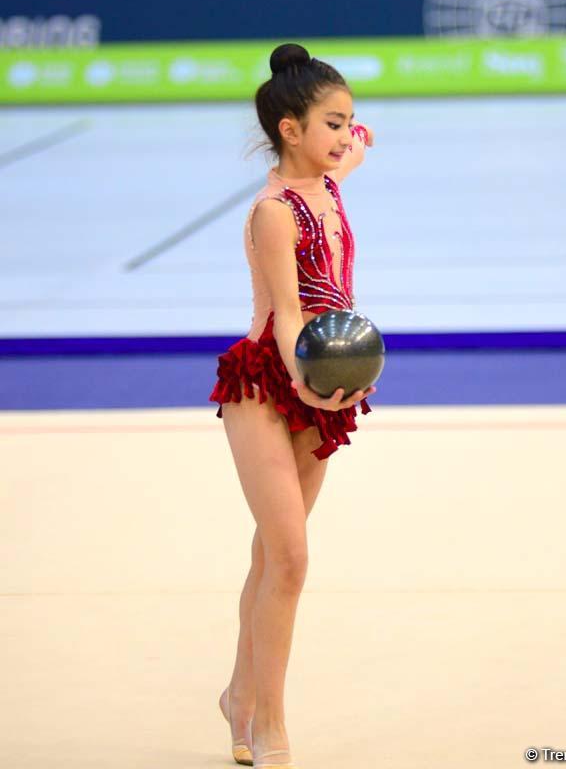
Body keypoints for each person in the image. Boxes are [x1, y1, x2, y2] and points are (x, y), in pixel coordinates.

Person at [210, 42, 377, 769]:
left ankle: (237, 696)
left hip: (322, 381)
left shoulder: (333, 179)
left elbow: (358, 151)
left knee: (268, 556)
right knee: (290, 557)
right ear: (289, 130)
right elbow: (284, 317)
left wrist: (354, 140)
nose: (345, 137)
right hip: (269, 383)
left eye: (350, 124)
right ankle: (269, 721)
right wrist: (308, 390)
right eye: (332, 124)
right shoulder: (275, 212)